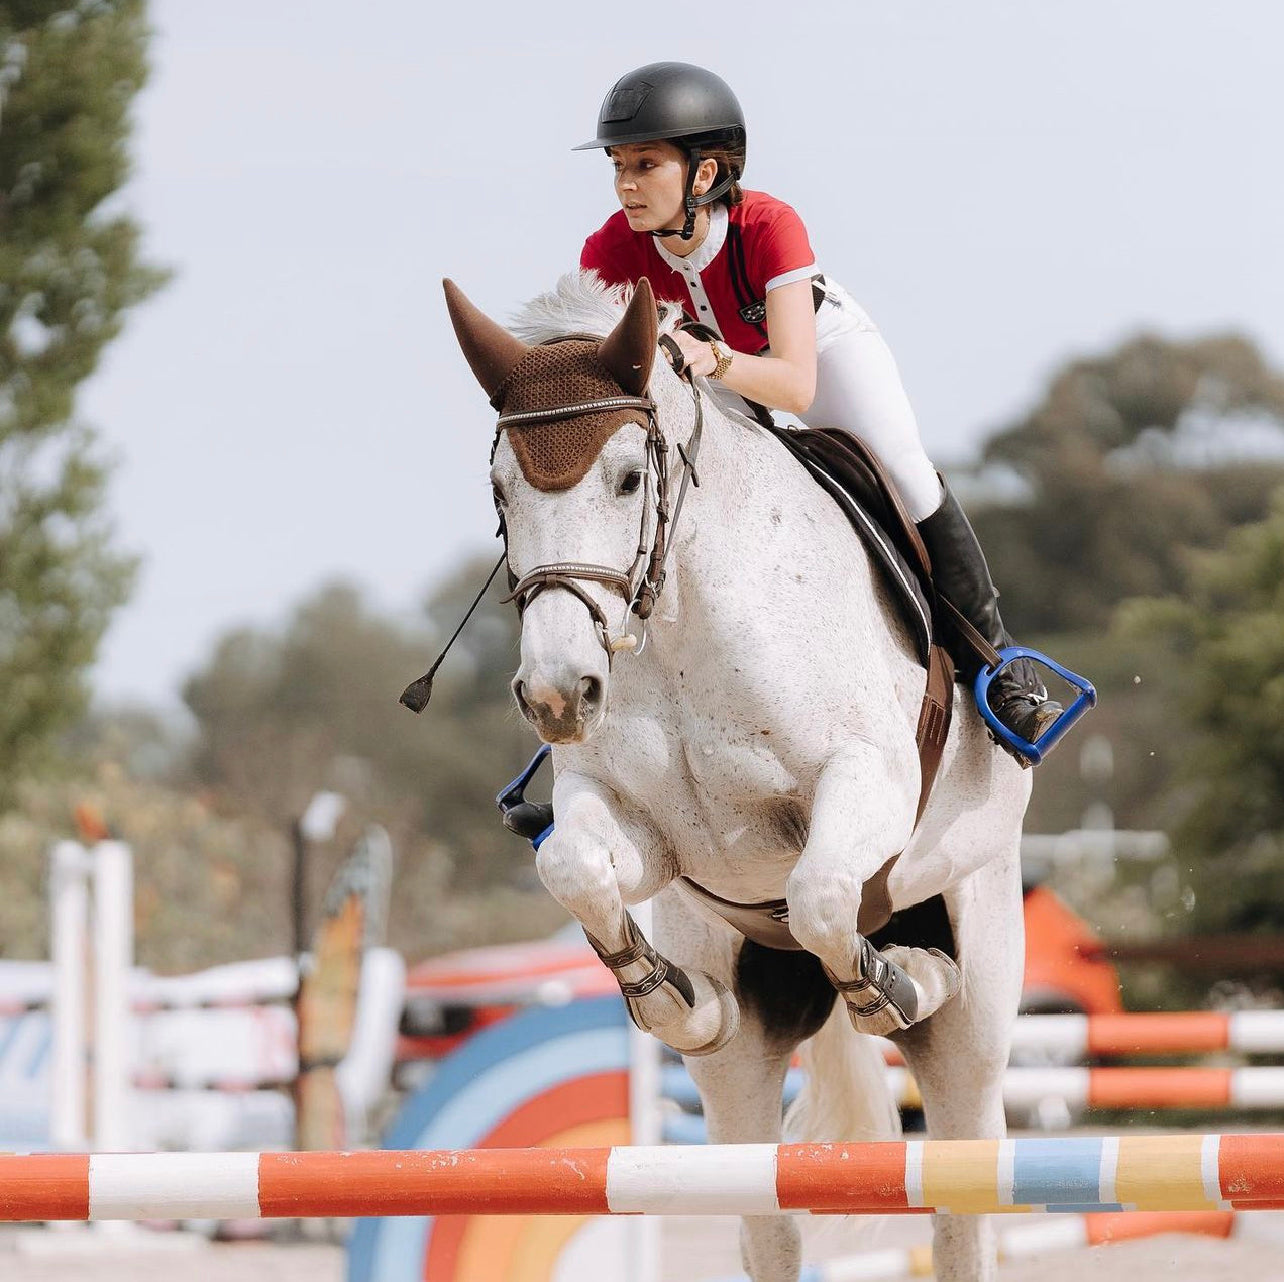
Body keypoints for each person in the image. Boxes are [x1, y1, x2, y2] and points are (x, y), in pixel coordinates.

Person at [575, 61, 1063, 761]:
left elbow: (798, 389)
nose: (625, 182)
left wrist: (716, 360)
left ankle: (1001, 669)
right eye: (618, 164)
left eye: (644, 164)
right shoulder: (611, 249)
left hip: (816, 352)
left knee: (903, 467)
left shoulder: (770, 225)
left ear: (705, 175)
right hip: (714, 371)